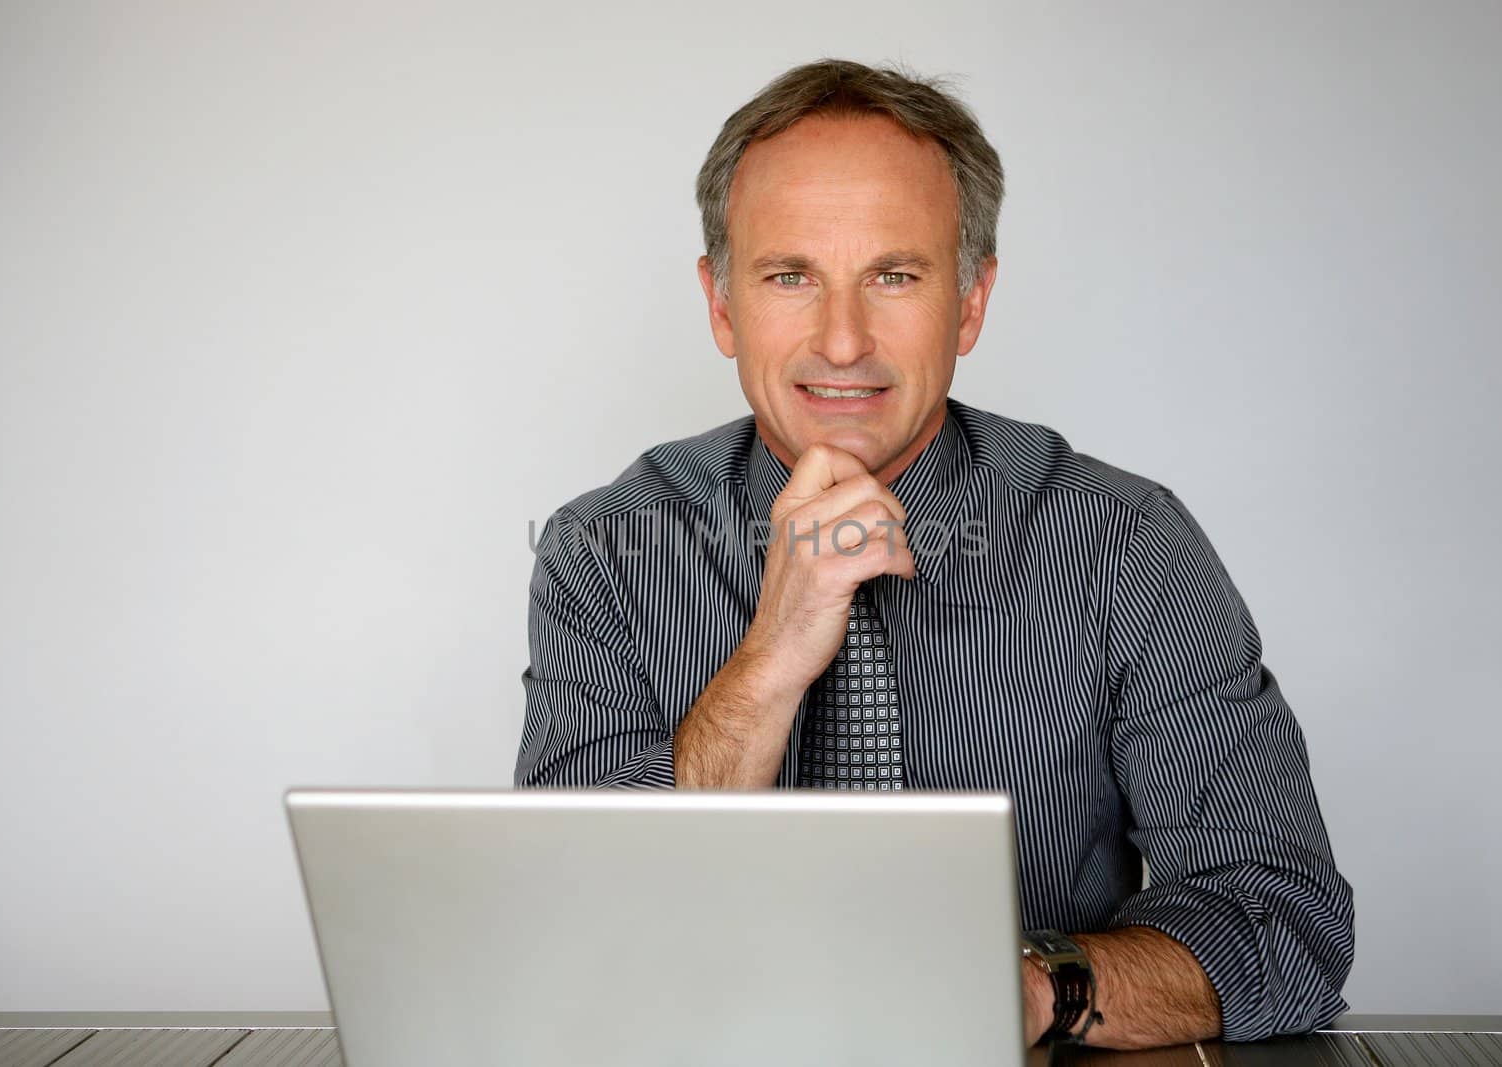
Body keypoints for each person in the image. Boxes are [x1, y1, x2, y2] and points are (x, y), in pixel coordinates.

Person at [514, 57, 1354, 1050]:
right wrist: (773, 654)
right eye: (789, 276)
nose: (840, 340)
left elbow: (1284, 923)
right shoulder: (603, 549)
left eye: (894, 275)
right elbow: (571, 923)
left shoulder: (1126, 544)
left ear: (968, 300)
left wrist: (1036, 989)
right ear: (721, 304)